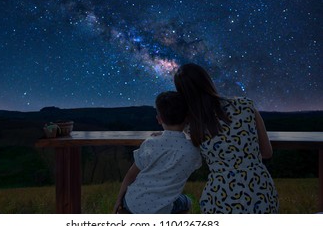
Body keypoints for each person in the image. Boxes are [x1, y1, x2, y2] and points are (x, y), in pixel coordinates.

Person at [173, 63, 279, 214]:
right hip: (260, 191)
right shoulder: (245, 106)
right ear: (207, 80)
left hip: (220, 196)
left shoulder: (192, 125)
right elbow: (267, 152)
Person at [113, 91, 202, 214]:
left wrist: (119, 199)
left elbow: (130, 175)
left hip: (132, 202)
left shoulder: (150, 143)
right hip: (160, 210)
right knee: (187, 202)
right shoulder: (193, 151)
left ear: (159, 119)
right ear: (187, 118)